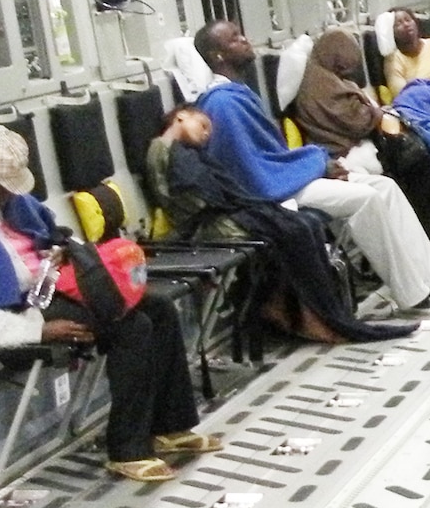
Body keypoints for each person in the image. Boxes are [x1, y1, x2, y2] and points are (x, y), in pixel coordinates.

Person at [0, 123, 220, 482]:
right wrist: (39, 330)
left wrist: (61, 254)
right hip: (17, 313)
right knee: (132, 326)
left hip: (45, 288)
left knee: (157, 307)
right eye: (1, 186)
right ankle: (128, 450)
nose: (8, 194)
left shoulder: (6, 202)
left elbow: (45, 238)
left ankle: (169, 427)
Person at [180, 21, 430, 310]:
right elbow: (252, 171)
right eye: (234, 39)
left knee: (385, 186)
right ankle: (413, 295)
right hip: (271, 194)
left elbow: (270, 157)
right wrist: (317, 164)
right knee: (365, 199)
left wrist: (317, 163)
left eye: (242, 33)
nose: (245, 40)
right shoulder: (222, 105)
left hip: (284, 179)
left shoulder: (238, 93)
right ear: (217, 56)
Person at [146, 106, 415, 345]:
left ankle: (312, 312)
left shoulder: (185, 154)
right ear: (180, 116)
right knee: (295, 229)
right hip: (208, 224)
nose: (206, 135)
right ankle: (316, 317)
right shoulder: (162, 148)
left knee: (302, 225)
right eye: (203, 126)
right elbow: (183, 198)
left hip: (223, 214)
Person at [295, 28, 430, 242]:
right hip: (343, 148)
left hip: (361, 138)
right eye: (343, 63)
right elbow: (357, 122)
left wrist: (374, 110)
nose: (347, 69)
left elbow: (363, 112)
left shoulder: (332, 78)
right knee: (418, 160)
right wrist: (375, 111)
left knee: (423, 146)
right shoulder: (319, 87)